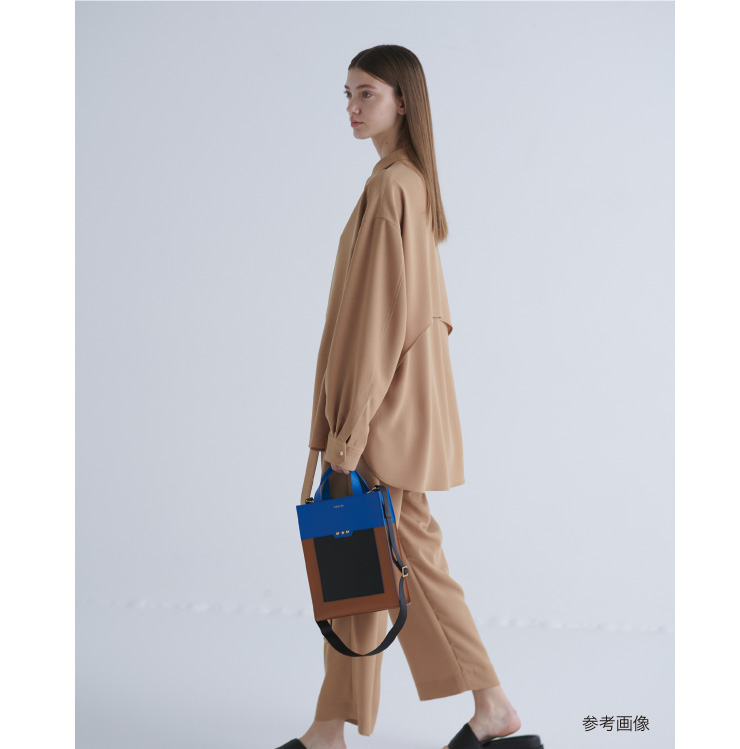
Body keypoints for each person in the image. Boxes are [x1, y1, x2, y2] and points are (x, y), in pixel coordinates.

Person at [278, 45, 534, 749]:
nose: (352, 107)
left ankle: (489, 706)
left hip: (381, 421)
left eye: (367, 93)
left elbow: (379, 325)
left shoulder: (394, 185)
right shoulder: (402, 182)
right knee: (364, 563)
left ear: (402, 100)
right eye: (347, 94)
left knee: (386, 559)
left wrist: (350, 432)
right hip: (390, 415)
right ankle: (335, 727)